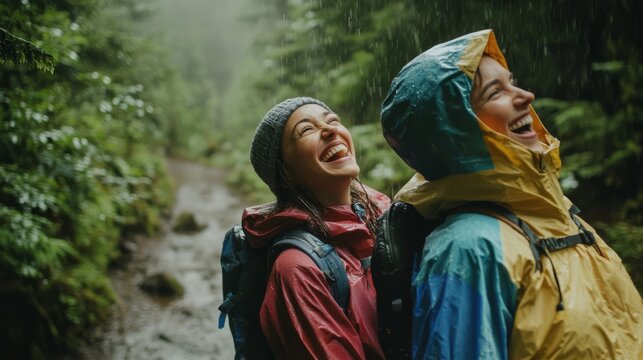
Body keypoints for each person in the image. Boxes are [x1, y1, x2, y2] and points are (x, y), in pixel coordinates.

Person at [380, 29, 642, 359]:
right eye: (496, 92)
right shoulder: (470, 248)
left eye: (512, 82)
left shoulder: (559, 215)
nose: (525, 96)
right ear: (457, 132)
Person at [242, 97, 389, 359]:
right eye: (306, 130)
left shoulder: (385, 219)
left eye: (333, 120)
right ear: (285, 172)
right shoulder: (297, 268)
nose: (331, 129)